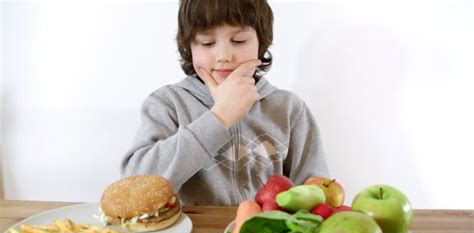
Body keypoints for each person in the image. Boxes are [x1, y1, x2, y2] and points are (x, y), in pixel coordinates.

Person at [120, 0, 329, 206]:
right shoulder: (168, 103)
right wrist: (219, 117)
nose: (223, 56)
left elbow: (317, 193)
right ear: (188, 47)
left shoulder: (289, 108)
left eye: (239, 41)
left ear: (260, 43)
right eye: (207, 43)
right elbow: (134, 188)